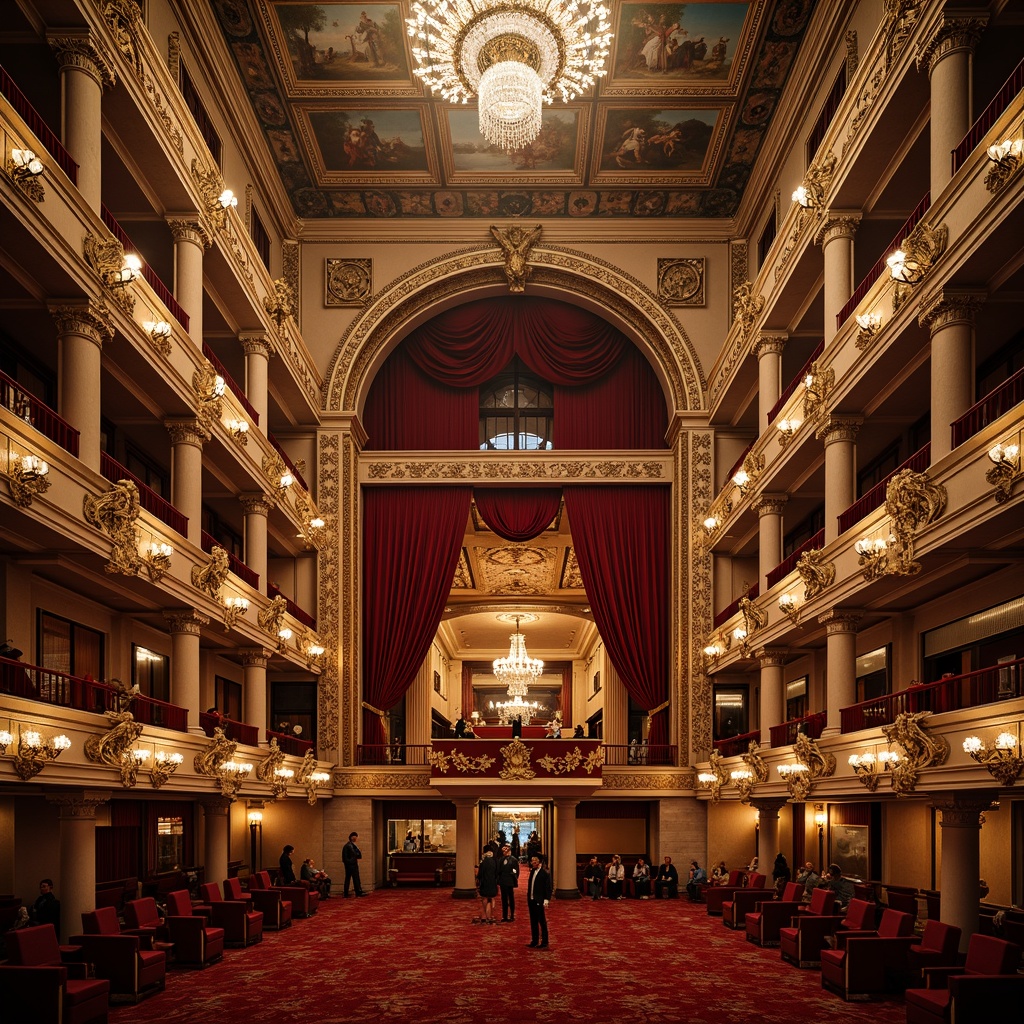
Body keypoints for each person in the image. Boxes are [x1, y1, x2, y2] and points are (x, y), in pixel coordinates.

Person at [525, 854, 551, 948]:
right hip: (531, 899)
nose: (533, 862)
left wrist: (546, 899)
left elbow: (548, 887)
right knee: (533, 921)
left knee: (542, 921)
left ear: (539, 861)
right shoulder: (532, 871)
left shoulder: (544, 873)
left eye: (535, 860)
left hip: (539, 900)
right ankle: (534, 940)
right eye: (532, 860)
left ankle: (544, 941)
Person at [497, 843, 519, 922]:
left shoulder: (513, 860)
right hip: (503, 881)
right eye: (504, 850)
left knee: (511, 899)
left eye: (507, 850)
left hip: (510, 881)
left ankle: (512, 915)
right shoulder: (501, 859)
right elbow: (498, 870)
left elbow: (516, 871)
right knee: (504, 899)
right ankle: (504, 916)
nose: (505, 851)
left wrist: (514, 878)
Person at [476, 847, 498, 924]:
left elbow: (480, 874)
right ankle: (490, 915)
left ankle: (484, 915)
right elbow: (497, 873)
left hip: (484, 882)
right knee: (491, 898)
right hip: (492, 882)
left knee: (485, 898)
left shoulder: (483, 862)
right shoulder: (495, 861)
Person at [343, 831, 365, 897]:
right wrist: (351, 862)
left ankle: (347, 893)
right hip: (351, 864)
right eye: (355, 837)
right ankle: (358, 892)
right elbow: (354, 855)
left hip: (350, 864)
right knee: (355, 878)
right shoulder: (349, 846)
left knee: (349, 878)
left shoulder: (350, 845)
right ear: (352, 837)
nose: (356, 839)